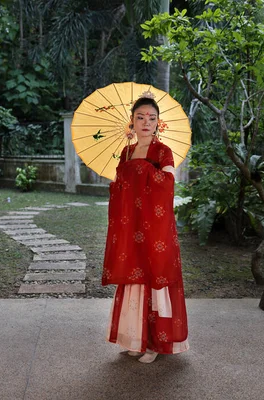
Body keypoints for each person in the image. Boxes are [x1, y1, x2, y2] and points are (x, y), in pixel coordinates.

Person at [102, 92, 189, 363]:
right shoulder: (127, 151)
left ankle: (154, 344)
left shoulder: (162, 151)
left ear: (158, 123)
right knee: (133, 278)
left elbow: (168, 183)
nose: (146, 122)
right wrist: (125, 179)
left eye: (152, 118)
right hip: (132, 226)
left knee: (154, 278)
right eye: (140, 117)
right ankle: (134, 339)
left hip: (155, 226)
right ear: (132, 121)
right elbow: (120, 186)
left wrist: (143, 172)